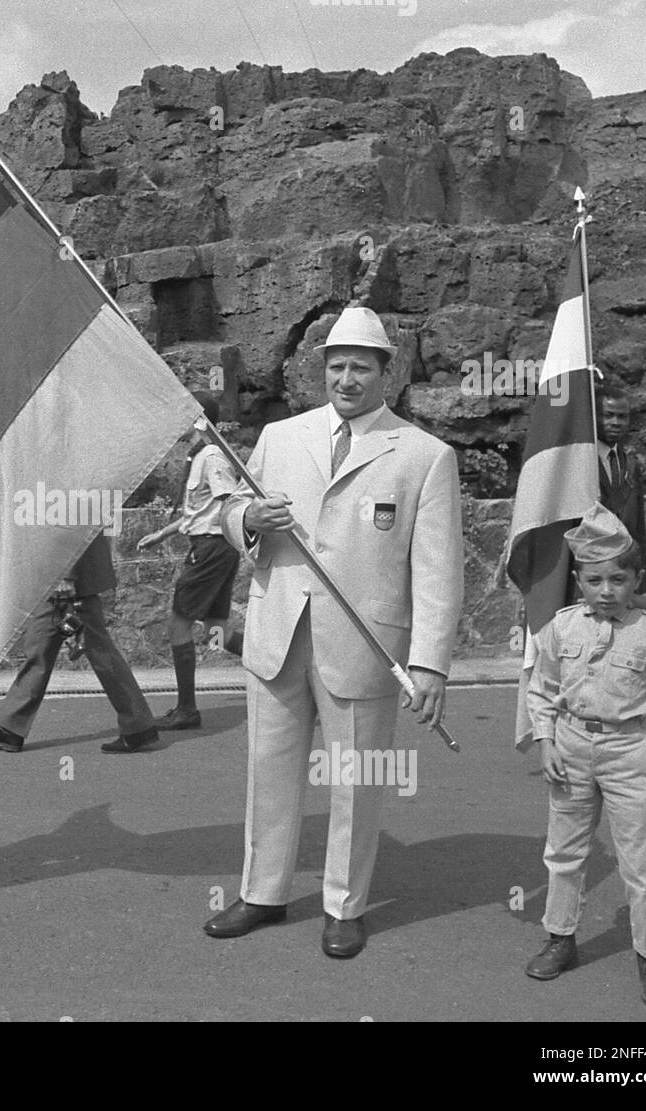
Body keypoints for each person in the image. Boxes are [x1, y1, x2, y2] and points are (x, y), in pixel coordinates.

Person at [202, 306, 463, 957]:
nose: (346, 378)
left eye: (360, 367)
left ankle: (344, 904)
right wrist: (250, 518)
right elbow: (228, 507)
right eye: (337, 366)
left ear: (387, 373)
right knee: (269, 768)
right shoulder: (280, 437)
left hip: (365, 644)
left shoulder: (425, 457)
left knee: (355, 778)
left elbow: (437, 572)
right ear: (323, 371)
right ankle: (262, 891)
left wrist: (429, 664)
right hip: (279, 630)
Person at [524, 503, 646, 1009]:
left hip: (628, 751)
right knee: (563, 854)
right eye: (595, 579)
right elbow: (541, 690)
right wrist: (546, 741)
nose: (607, 590)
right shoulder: (561, 629)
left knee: (642, 864)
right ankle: (560, 938)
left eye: (619, 579)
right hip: (572, 746)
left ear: (636, 578)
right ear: (578, 581)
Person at [0, 533, 160, 754]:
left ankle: (138, 726)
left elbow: (70, 521)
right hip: (56, 573)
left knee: (99, 650)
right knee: (39, 646)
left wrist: (67, 574)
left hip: (69, 575)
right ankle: (10, 727)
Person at [138, 392, 243, 730]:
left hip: (211, 549)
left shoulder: (211, 456)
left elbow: (229, 501)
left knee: (177, 624)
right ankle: (292, 673)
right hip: (211, 545)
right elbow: (198, 510)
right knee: (218, 634)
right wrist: (162, 535)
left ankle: (186, 709)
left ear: (198, 419)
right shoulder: (198, 455)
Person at [596, 385, 646, 591]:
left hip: (624, 575)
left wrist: (641, 585)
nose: (615, 423)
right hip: (590, 575)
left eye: (622, 417)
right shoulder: (579, 463)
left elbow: (638, 531)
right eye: (608, 415)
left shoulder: (631, 465)